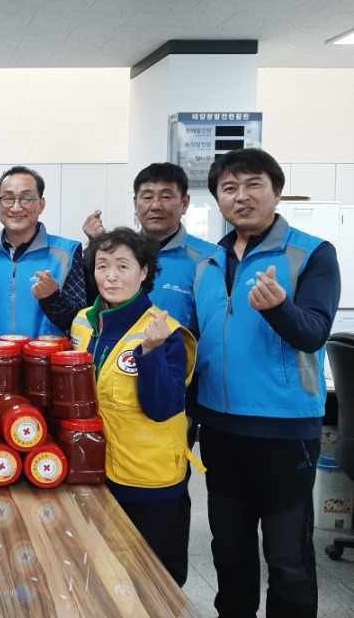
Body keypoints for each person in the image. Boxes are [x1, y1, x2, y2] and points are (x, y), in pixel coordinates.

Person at [193, 148, 340, 618]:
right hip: (221, 431)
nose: (242, 197)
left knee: (288, 558)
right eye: (229, 188)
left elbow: (314, 331)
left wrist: (278, 306)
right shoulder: (209, 262)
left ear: (275, 191)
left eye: (253, 184)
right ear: (218, 199)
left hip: (284, 432)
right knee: (230, 553)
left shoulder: (311, 253)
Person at [70, 227, 198, 587]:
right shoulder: (83, 322)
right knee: (102, 574)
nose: (110, 276)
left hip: (147, 479)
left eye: (123, 266)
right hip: (95, 471)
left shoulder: (163, 331)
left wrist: (152, 353)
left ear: (144, 272)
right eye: (102, 265)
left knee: (152, 581)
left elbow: (162, 408)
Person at [82, 163, 217, 332]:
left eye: (166, 197)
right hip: (116, 354)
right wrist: (94, 246)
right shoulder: (116, 254)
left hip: (177, 356)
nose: (155, 206)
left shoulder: (209, 258)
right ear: (135, 203)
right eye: (147, 197)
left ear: (184, 203)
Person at [0, 166, 85, 340]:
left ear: (41, 204)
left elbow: (80, 324)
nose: (16, 207)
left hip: (45, 363)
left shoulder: (66, 253)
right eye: (7, 198)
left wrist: (52, 298)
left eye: (26, 198)